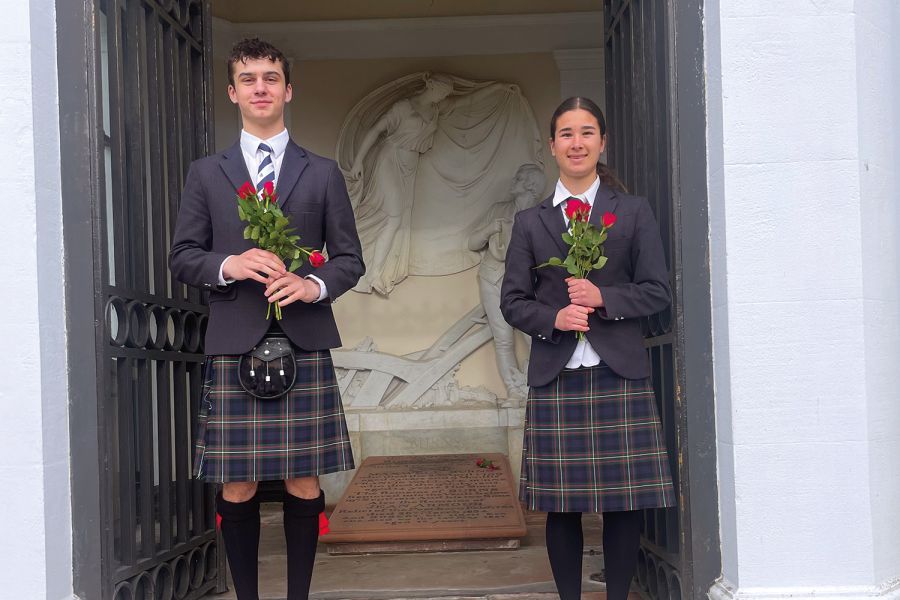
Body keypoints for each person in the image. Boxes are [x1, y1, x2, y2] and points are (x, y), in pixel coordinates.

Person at [169, 38, 363, 600]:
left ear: (287, 89)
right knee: (238, 480)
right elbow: (184, 255)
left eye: (271, 77)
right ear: (233, 92)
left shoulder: (322, 173)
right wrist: (229, 263)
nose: (261, 87)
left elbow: (350, 258)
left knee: (305, 478)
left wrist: (311, 284)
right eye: (249, 78)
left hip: (302, 336)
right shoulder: (208, 173)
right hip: (234, 339)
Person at [500, 97, 675, 600]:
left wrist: (605, 299)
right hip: (558, 373)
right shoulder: (530, 223)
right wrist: (553, 317)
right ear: (551, 145)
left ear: (602, 142)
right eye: (567, 134)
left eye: (587, 132)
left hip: (619, 373)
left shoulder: (633, 212)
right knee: (562, 505)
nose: (577, 143)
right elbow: (512, 302)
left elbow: (658, 291)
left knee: (622, 503)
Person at [348, 74, 454, 295]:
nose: (443, 97)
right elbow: (376, 130)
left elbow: (464, 103)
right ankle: (372, 274)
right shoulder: (403, 107)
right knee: (394, 217)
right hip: (390, 160)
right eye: (442, 92)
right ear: (431, 86)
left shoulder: (434, 110)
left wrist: (496, 89)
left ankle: (377, 272)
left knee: (400, 219)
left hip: (410, 168)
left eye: (446, 95)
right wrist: (358, 160)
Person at [467, 163, 546, 401]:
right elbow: (472, 243)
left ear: (531, 186)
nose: (514, 180)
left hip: (528, 284)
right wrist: (490, 229)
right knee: (502, 338)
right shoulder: (498, 211)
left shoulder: (541, 216)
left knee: (534, 337)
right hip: (493, 278)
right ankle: (513, 390)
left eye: (520, 178)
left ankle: (536, 387)